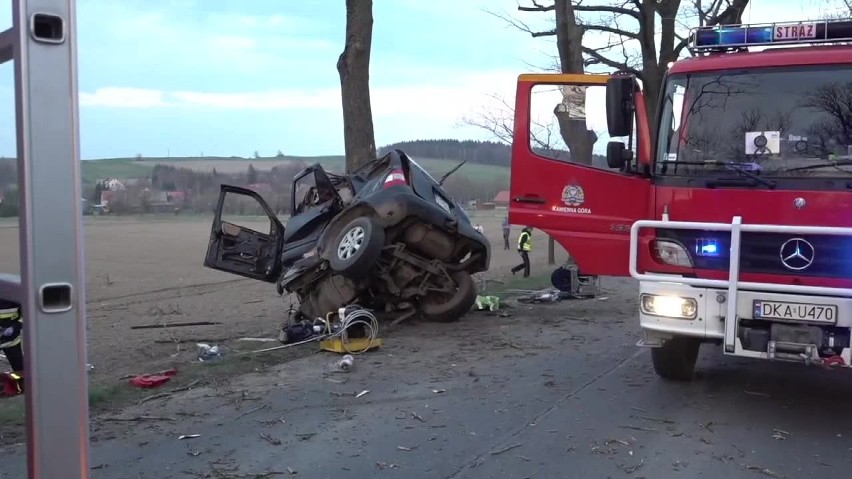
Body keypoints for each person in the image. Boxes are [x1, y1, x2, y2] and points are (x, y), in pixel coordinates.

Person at [0, 300, 23, 397]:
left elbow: (26, 315)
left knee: (21, 371)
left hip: (11, 342)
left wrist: (15, 327)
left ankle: (22, 389)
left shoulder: (15, 296)